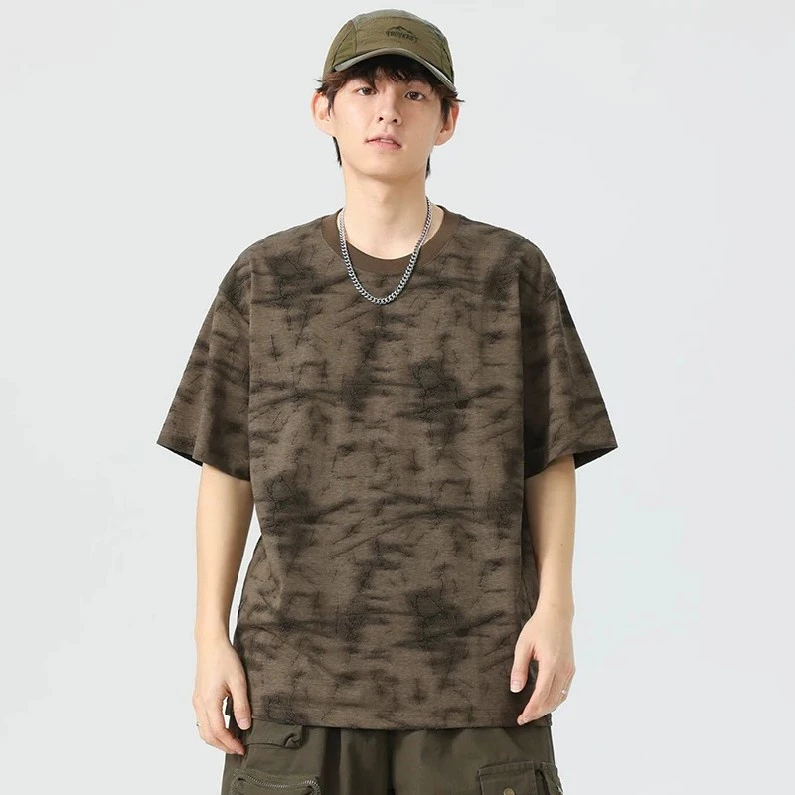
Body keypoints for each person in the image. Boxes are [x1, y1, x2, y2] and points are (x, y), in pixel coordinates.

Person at [155, 8, 618, 794]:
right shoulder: (265, 276)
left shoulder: (508, 271)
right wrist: (209, 639)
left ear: (447, 120)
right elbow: (226, 467)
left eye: (413, 93)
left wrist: (556, 610)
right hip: (293, 679)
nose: (386, 112)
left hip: (479, 677)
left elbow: (550, 455)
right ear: (322, 110)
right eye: (364, 89)